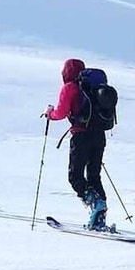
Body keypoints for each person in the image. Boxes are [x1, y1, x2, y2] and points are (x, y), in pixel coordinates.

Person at [43, 57, 108, 230]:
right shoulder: (93, 87)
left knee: (75, 177)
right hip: (99, 135)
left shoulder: (69, 88)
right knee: (94, 175)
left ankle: (95, 204)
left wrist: (50, 114)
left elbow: (61, 113)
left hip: (81, 136)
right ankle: (99, 218)